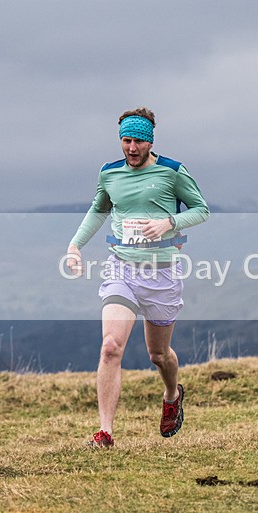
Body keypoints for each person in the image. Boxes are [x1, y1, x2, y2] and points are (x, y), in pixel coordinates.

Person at [65, 107, 209, 448]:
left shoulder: (172, 171)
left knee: (158, 356)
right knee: (110, 347)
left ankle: (172, 394)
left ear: (151, 141)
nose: (132, 148)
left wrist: (169, 222)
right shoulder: (109, 173)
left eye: (139, 141)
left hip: (162, 274)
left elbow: (201, 209)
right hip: (122, 269)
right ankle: (105, 433)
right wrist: (74, 245)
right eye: (126, 141)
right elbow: (98, 210)